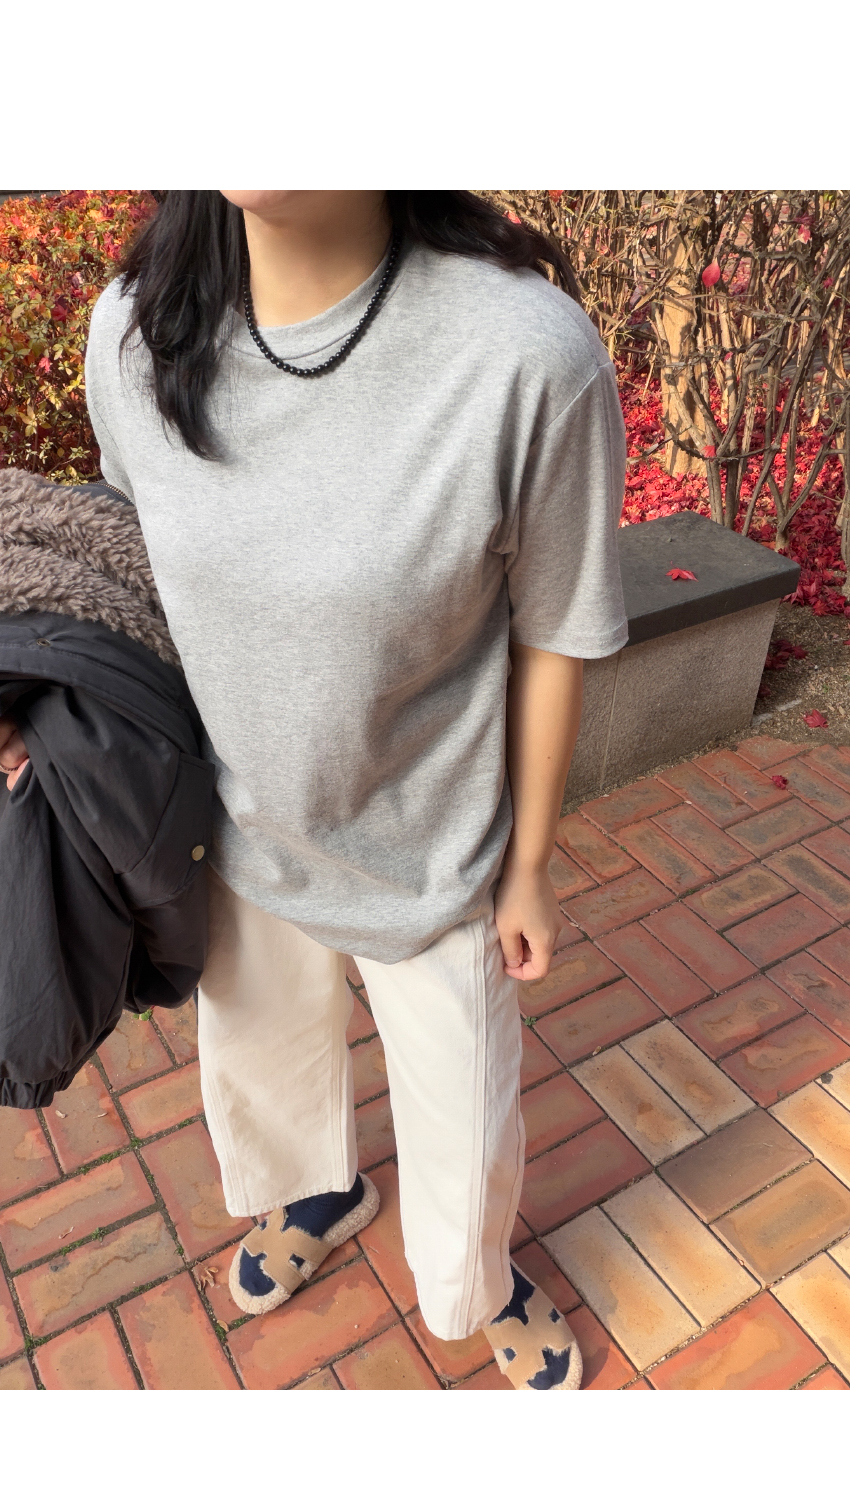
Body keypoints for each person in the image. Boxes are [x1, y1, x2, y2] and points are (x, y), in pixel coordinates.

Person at [1, 191, 628, 1389]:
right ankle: (316, 1194)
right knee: (262, 1063)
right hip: (226, 831)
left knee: (464, 1119)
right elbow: (124, 554)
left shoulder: (522, 354)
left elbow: (557, 625)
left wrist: (531, 864)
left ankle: (478, 1278)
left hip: (437, 849)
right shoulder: (135, 329)